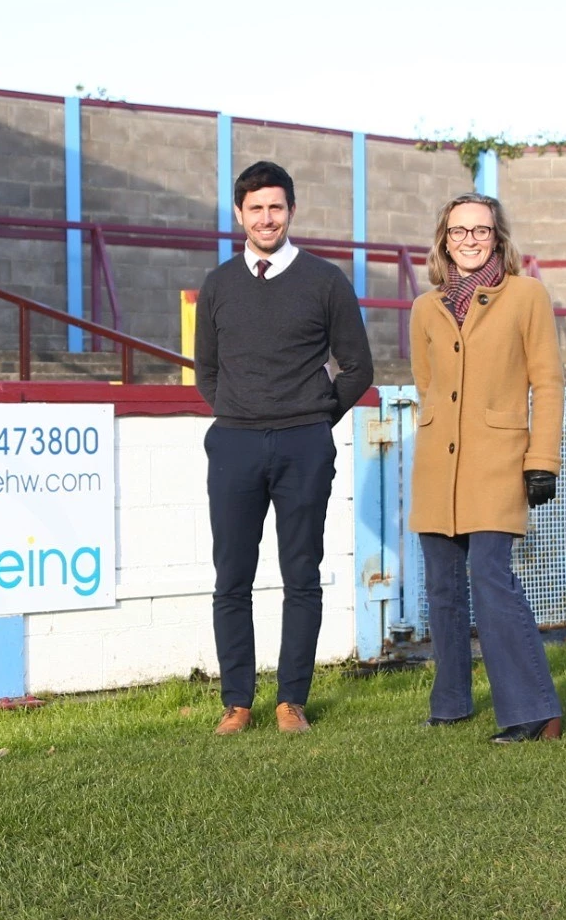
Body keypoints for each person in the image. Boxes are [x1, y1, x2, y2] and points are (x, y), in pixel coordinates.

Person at [194, 160, 374, 736]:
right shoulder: (219, 284)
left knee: (301, 573)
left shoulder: (325, 281)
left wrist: (316, 417)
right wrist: (242, 409)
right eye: (255, 208)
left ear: (290, 211)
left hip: (304, 445)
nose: (266, 218)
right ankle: (237, 703)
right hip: (235, 445)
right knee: (232, 576)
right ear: (240, 215)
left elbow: (358, 367)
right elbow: (207, 371)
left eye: (276, 207)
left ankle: (291, 700)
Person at [408, 192, 564, 743]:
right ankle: (450, 701)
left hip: (499, 460)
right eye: (458, 231)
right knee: (443, 586)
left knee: (490, 576)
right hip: (436, 465)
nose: (469, 240)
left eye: (480, 230)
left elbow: (547, 383)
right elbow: (428, 386)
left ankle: (533, 709)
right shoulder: (425, 308)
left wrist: (542, 460)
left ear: (498, 237)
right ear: (443, 239)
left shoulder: (526, 296)